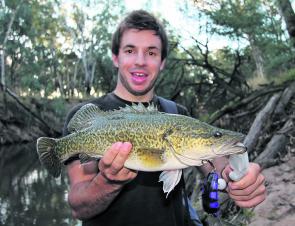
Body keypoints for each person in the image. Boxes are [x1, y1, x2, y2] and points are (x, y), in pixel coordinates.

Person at [63, 10, 266, 226]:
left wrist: (239, 178)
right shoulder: (86, 117)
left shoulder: (177, 114)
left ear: (162, 62)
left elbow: (216, 164)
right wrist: (108, 181)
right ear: (116, 57)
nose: (140, 61)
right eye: (130, 50)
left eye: (151, 53)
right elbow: (78, 206)